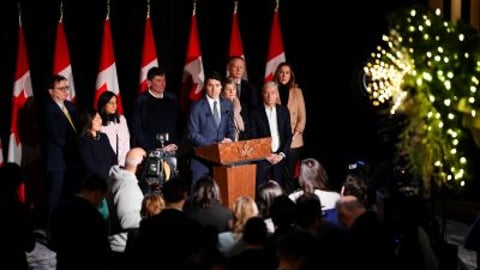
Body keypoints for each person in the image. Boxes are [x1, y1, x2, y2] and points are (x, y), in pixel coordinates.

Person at [44, 74, 80, 240]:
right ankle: (51, 233)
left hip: (72, 159)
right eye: (62, 88)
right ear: (52, 91)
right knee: (55, 197)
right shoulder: (48, 109)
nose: (66, 91)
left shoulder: (70, 107)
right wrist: (76, 142)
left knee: (70, 195)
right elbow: (56, 136)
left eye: (67, 87)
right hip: (57, 160)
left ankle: (68, 229)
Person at [50, 174, 111, 270]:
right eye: (101, 199)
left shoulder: (60, 207)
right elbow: (102, 251)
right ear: (96, 193)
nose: (100, 203)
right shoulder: (94, 216)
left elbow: (53, 238)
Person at [187, 71, 236, 189]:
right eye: (210, 85)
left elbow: (230, 126)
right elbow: (192, 133)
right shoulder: (196, 106)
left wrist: (229, 139)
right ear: (205, 86)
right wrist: (213, 146)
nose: (214, 89)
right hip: (201, 161)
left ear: (221, 87)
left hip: (221, 161)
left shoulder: (227, 105)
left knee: (220, 196)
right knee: (198, 197)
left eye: (217, 86)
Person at [107, 147, 146, 269]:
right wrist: (151, 216)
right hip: (122, 249)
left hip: (120, 246)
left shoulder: (119, 177)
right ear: (140, 165)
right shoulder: (127, 186)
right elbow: (127, 220)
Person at [249, 81, 292, 191]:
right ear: (262, 94)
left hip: (279, 157)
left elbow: (288, 135)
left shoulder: (284, 111)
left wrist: (281, 155)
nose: (269, 96)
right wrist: (266, 155)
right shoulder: (255, 113)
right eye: (266, 93)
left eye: (272, 93)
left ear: (277, 94)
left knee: (280, 190)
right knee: (258, 189)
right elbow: (253, 137)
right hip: (263, 158)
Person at [130, 67, 181, 152]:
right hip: (149, 151)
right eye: (158, 80)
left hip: (171, 150)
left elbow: (180, 125)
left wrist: (175, 144)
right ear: (149, 83)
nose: (163, 83)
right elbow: (137, 130)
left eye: (164, 80)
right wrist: (152, 149)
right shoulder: (141, 101)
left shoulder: (172, 100)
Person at [273, 62, 306, 193]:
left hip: (294, 140)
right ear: (277, 74)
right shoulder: (272, 91)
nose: (284, 75)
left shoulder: (297, 91)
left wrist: (295, 134)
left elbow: (302, 117)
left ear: (291, 75)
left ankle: (290, 201)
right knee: (277, 174)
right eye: (281, 72)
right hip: (277, 140)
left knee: (289, 174)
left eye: (287, 73)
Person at [78, 110, 117, 181]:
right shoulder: (84, 141)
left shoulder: (103, 136)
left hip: (109, 177)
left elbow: (113, 156)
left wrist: (113, 171)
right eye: (96, 119)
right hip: (95, 180)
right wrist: (104, 176)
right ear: (88, 121)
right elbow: (89, 165)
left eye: (100, 118)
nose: (100, 121)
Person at [96, 90, 131, 167]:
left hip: (122, 163)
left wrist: (122, 163)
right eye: (111, 103)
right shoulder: (98, 121)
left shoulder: (121, 119)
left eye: (116, 103)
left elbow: (126, 142)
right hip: (105, 163)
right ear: (104, 104)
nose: (114, 106)